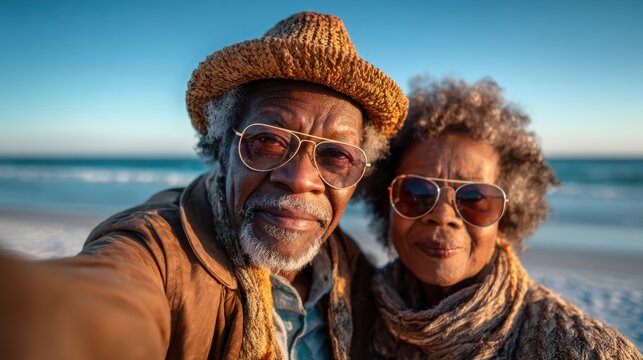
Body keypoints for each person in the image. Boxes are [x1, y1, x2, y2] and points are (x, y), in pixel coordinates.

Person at [0, 12, 408, 359]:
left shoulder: (354, 273)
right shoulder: (158, 250)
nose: (300, 178)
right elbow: (101, 303)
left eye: (336, 156)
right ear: (222, 147)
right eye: (268, 140)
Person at [357, 77, 641, 359]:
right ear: (387, 205)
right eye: (416, 193)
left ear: (505, 219)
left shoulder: (587, 351)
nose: (443, 216)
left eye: (474, 198)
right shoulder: (350, 308)